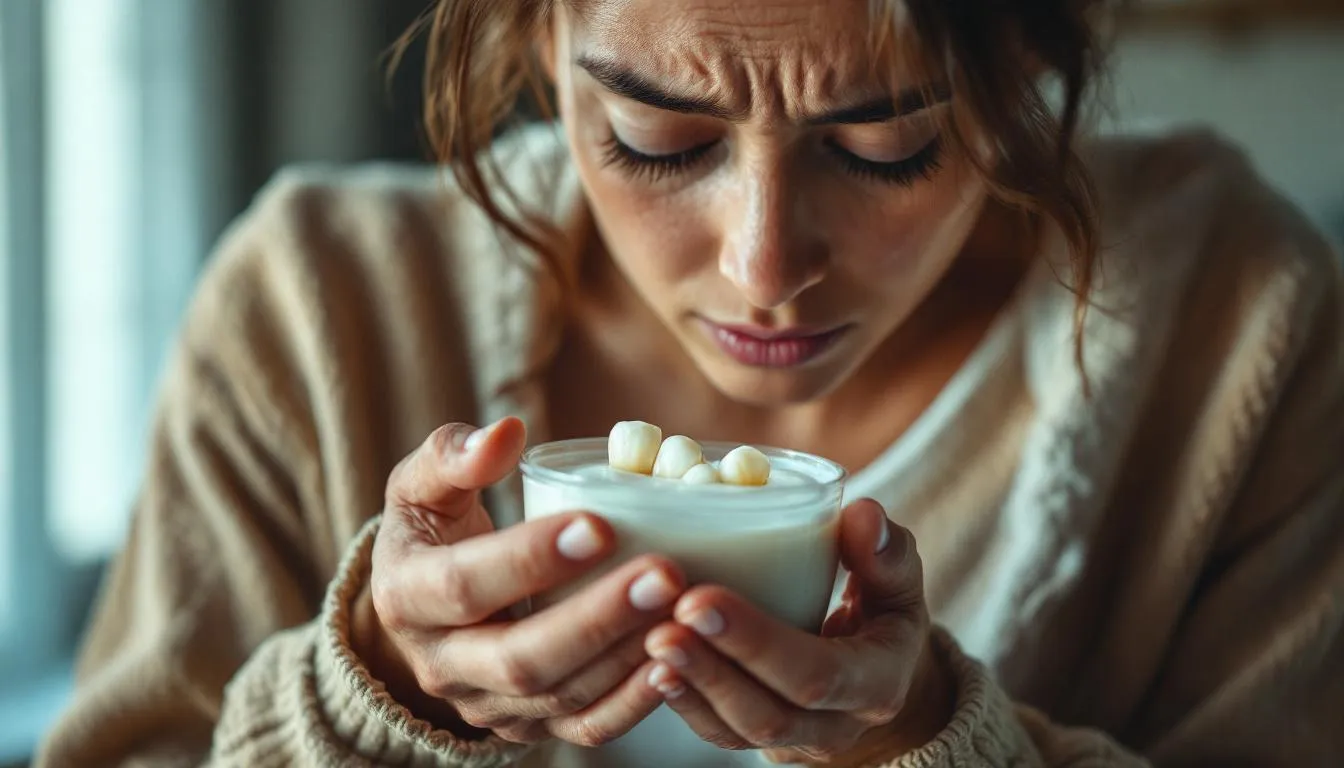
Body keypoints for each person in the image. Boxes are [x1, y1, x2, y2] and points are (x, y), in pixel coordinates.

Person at [37, 0, 1344, 765]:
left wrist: (922, 743)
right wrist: (372, 696)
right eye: (656, 139)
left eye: (887, 148)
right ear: (539, 36)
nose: (762, 267)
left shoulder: (1235, 326)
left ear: (1028, 68)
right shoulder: (315, 310)